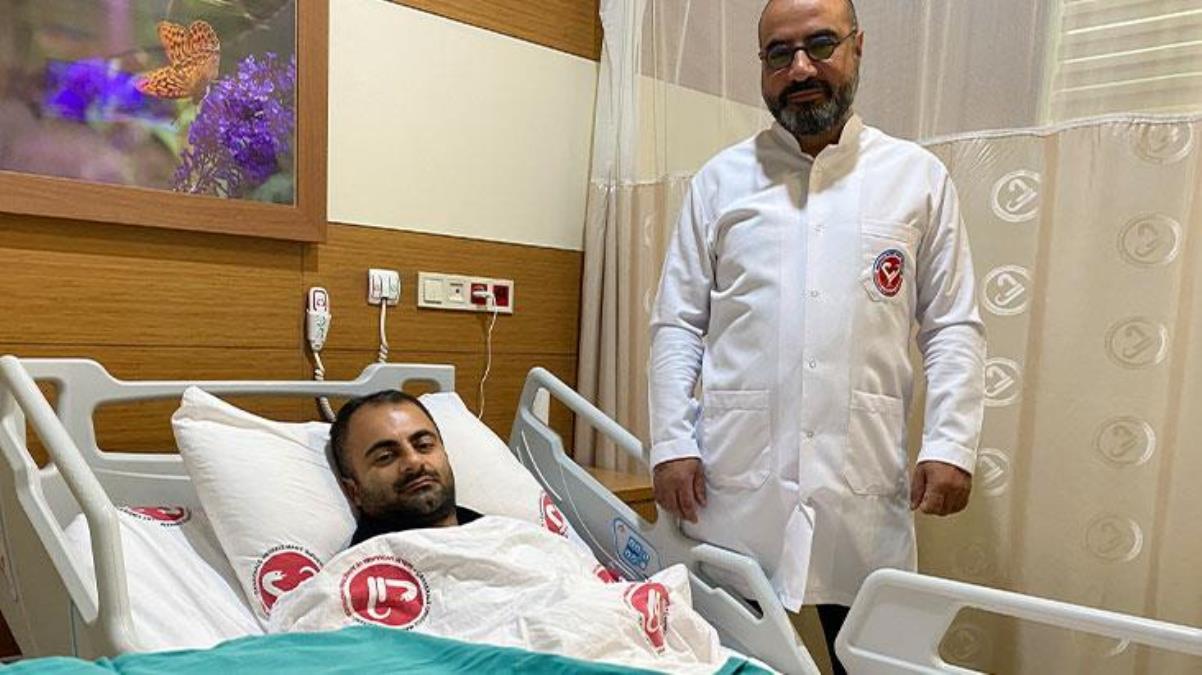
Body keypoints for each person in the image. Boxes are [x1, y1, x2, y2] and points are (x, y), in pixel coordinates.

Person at [648, 0, 986, 672]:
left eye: (820, 44)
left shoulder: (917, 178)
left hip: (861, 483)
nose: (800, 68)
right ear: (762, 66)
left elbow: (952, 323)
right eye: (779, 53)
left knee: (871, 661)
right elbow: (677, 321)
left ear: (857, 47)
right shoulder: (720, 181)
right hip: (735, 481)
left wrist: (951, 443)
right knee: (724, 659)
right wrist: (670, 442)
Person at [328, 390, 481, 545]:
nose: (414, 461)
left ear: (445, 454)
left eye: (424, 445)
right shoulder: (366, 559)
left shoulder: (491, 531)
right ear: (354, 492)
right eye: (386, 456)